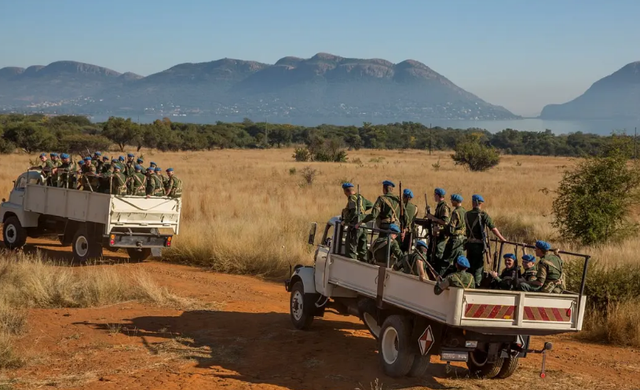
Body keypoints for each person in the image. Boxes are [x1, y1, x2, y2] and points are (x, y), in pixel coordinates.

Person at [465, 194, 507, 286]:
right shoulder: (483, 215)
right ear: (480, 204)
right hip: (478, 246)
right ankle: (476, 285)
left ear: (473, 203)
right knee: (478, 268)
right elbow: (493, 228)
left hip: (469, 244)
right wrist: (502, 238)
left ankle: (468, 283)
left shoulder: (466, 214)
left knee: (469, 265)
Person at [340, 182, 371, 261]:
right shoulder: (361, 197)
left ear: (346, 191)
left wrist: (346, 221)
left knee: (351, 247)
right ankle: (364, 262)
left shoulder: (352, 198)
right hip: (364, 225)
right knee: (363, 248)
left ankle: (351, 264)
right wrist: (362, 211)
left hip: (356, 224)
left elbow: (353, 211)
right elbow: (370, 204)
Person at [425, 188, 451, 274]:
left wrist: (432, 218)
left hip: (441, 235)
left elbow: (445, 222)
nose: (434, 197)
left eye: (435, 195)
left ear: (438, 195)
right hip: (436, 234)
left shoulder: (444, 207)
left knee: (438, 255)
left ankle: (438, 274)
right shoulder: (440, 205)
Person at [441, 193, 466, 276]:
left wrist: (443, 230)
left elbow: (451, 229)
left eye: (452, 200)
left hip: (454, 240)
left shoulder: (456, 212)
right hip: (462, 240)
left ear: (455, 201)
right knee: (459, 261)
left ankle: (439, 277)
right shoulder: (464, 211)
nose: (451, 201)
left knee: (446, 260)